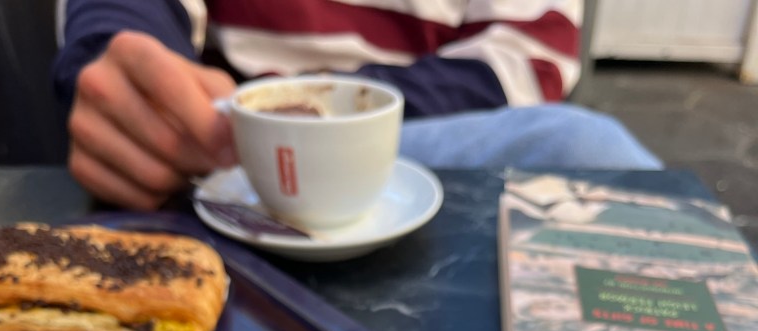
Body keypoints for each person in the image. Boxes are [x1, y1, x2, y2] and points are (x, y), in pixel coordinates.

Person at [54, 1, 662, 211]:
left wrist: (346, 119)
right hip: (224, 142)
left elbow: (527, 51)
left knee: (585, 146)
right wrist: (131, 74)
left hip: (430, 126)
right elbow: (124, 14)